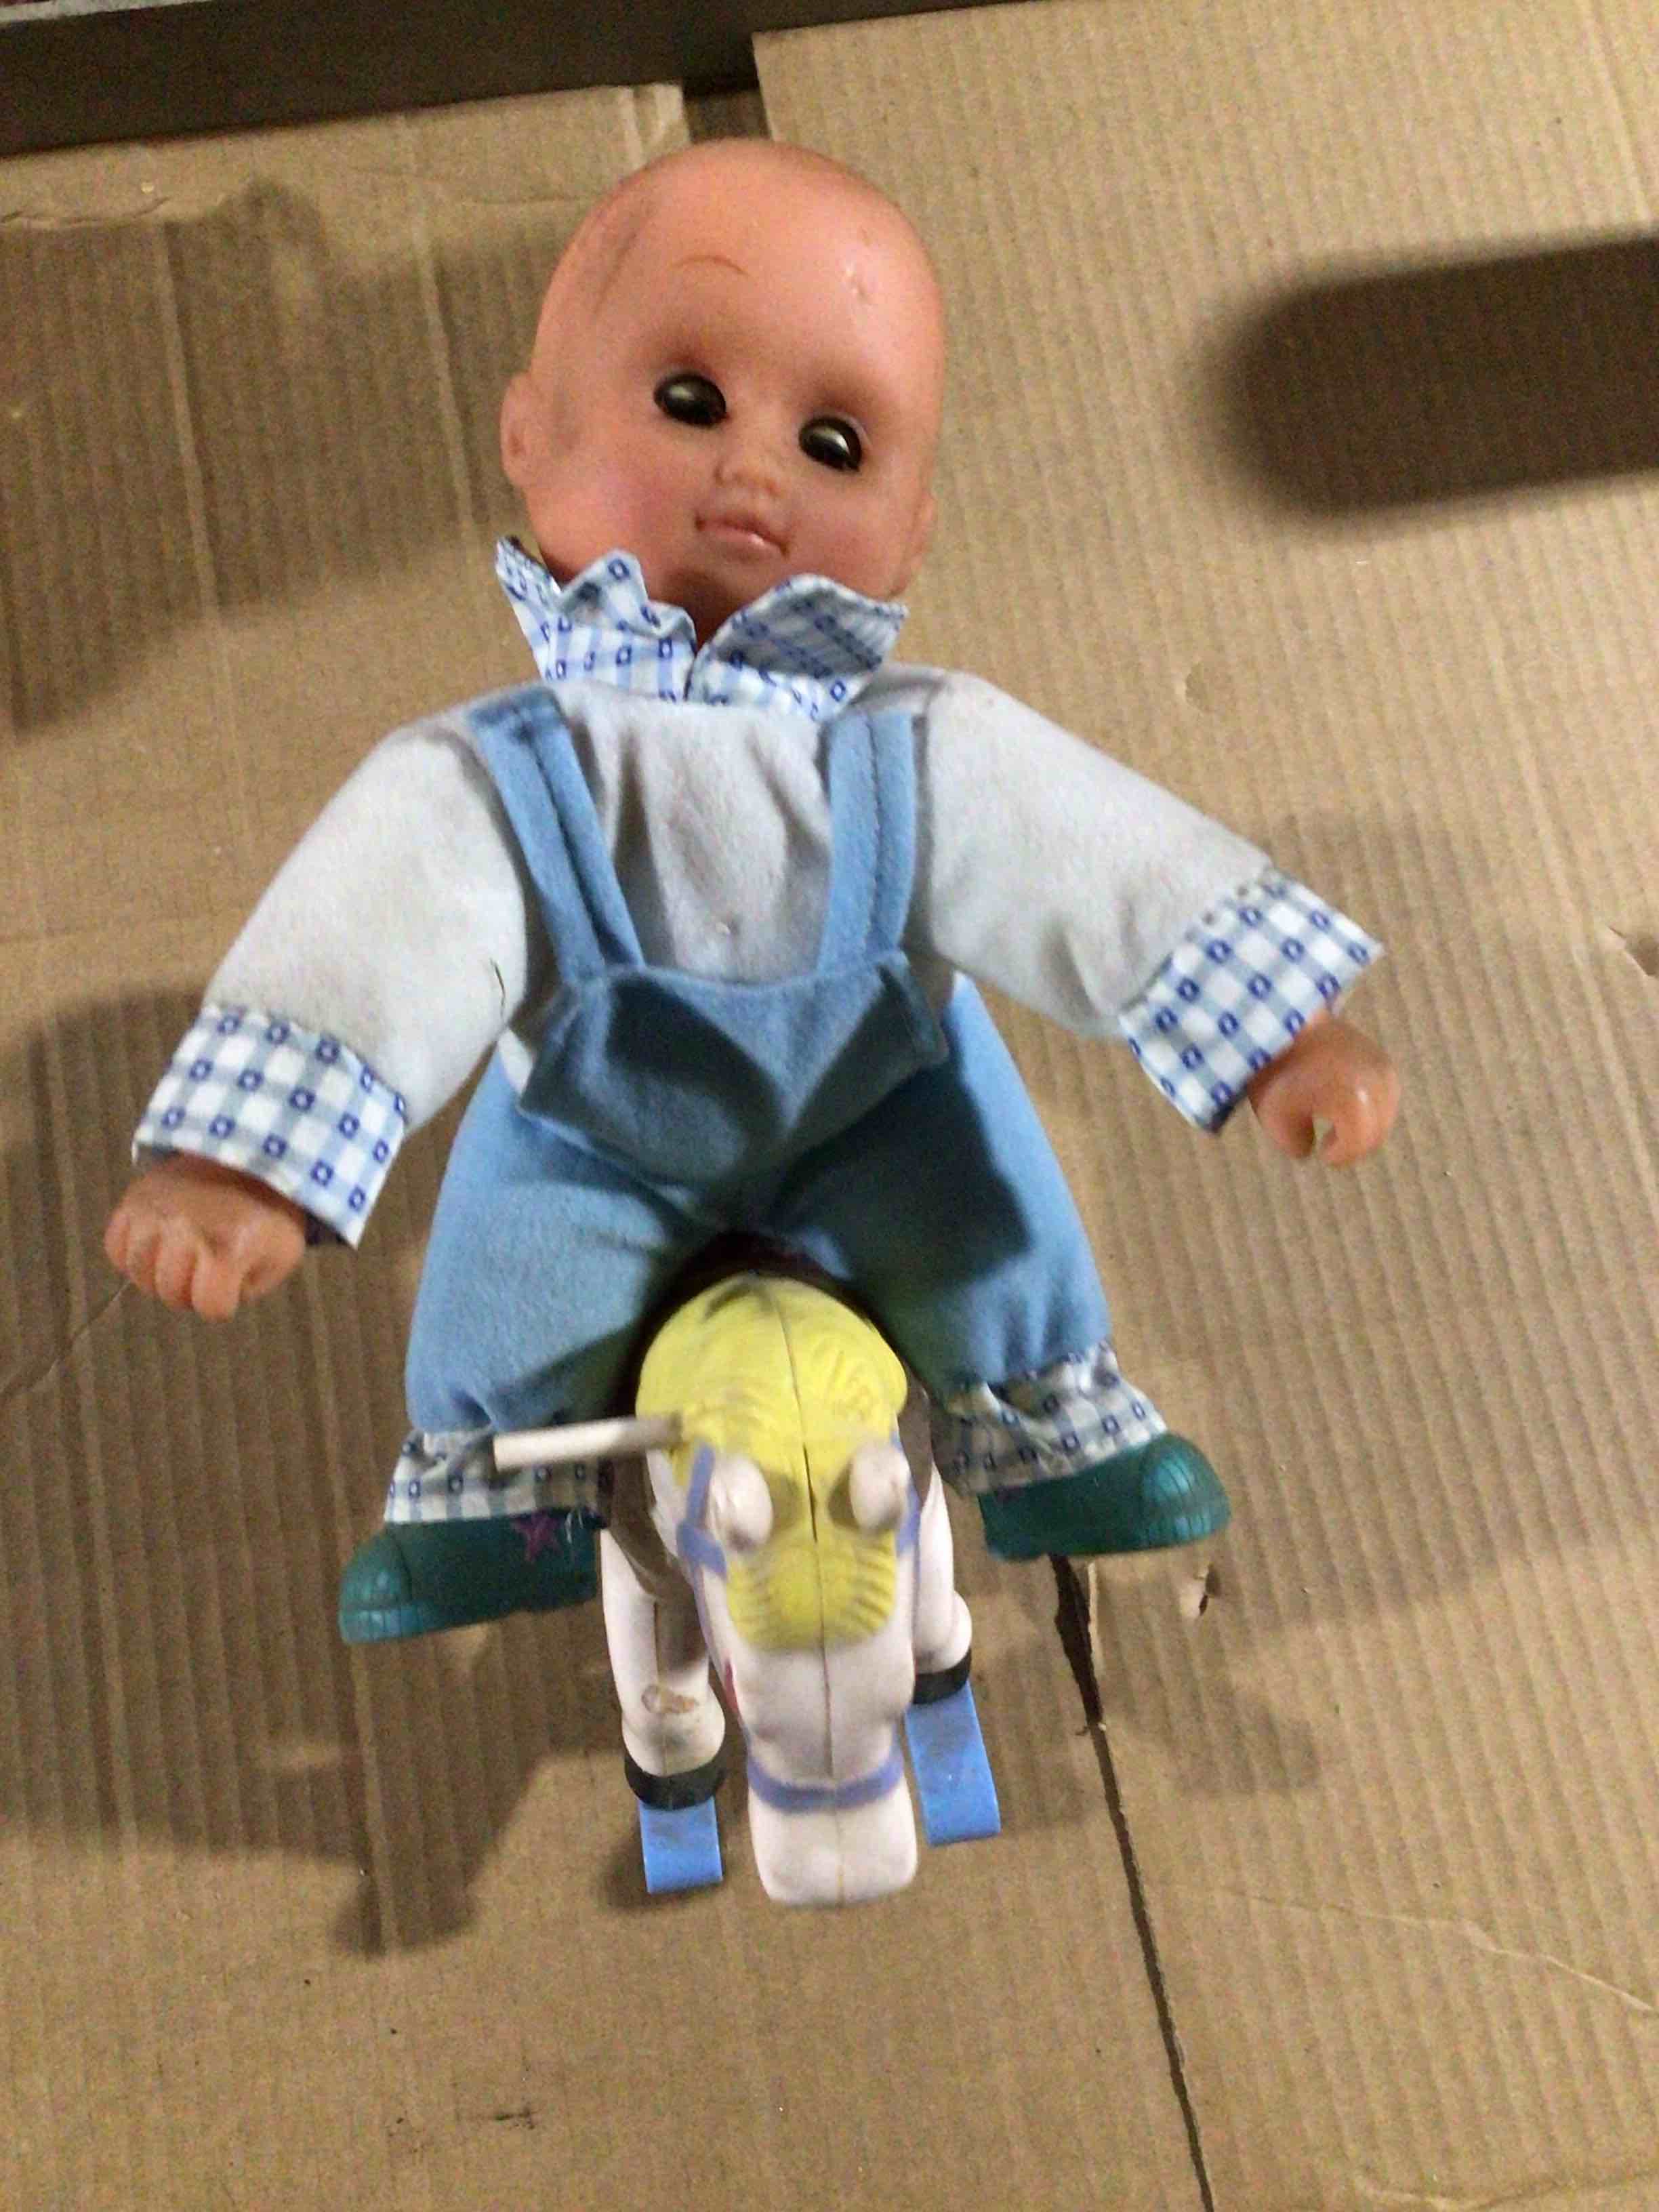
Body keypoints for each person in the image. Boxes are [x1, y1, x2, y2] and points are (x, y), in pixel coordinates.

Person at [104, 139, 1401, 1642]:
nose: (756, 470)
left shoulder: (928, 741)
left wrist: (1279, 1032)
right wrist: (247, 1165)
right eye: (690, 401)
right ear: (530, 432)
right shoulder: (492, 769)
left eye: (836, 444)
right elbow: (379, 929)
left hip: (882, 1112)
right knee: (504, 1300)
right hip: (597, 1137)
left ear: (916, 527)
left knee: (995, 1232)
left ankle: (1052, 1432)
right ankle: (496, 1503)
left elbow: (1094, 864)